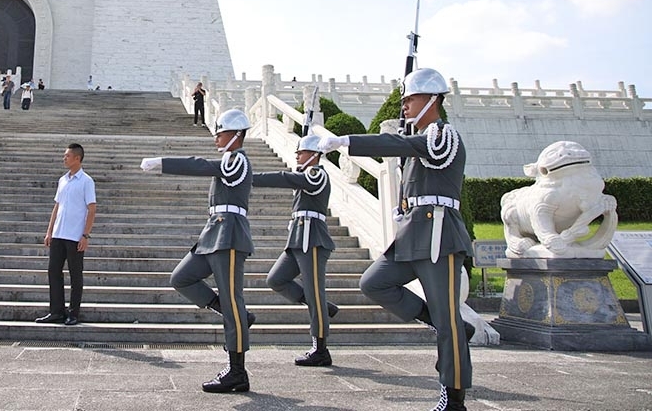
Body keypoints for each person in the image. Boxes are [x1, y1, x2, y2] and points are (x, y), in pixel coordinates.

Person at [319, 68, 473, 411]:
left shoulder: (443, 134)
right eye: (403, 100)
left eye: (410, 99)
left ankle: (454, 394)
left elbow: (404, 145)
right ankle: (438, 321)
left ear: (433, 100)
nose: (404, 106)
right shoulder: (421, 139)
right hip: (413, 232)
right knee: (374, 282)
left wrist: (347, 141)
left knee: (448, 320)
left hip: (439, 235)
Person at [140, 109, 254, 394]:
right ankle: (234, 313)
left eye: (221, 131)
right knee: (182, 277)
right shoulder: (230, 158)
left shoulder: (237, 159)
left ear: (237, 135)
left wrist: (164, 163)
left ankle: (237, 372)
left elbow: (203, 165)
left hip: (229, 235)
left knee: (232, 298)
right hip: (213, 232)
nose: (216, 136)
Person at [254, 135, 339, 367]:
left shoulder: (317, 174)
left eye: (301, 153)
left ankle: (320, 349)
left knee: (314, 292)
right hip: (297, 239)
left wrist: (253, 179)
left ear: (314, 155)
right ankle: (321, 306)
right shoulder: (307, 175)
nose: (297, 156)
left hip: (312, 239)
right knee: (276, 279)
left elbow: (286, 178)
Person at [36, 143, 97, 326]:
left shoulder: (86, 181)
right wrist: (49, 231)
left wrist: (85, 235)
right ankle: (56, 311)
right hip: (58, 234)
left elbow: (92, 209)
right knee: (53, 271)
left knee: (75, 275)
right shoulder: (62, 180)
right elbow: (57, 207)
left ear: (77, 158)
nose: (64, 158)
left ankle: (73, 313)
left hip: (75, 235)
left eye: (67, 156)